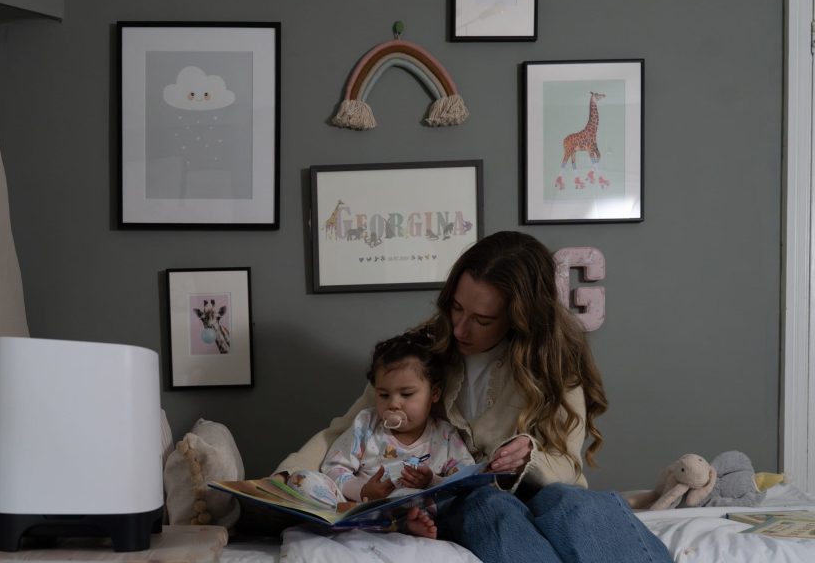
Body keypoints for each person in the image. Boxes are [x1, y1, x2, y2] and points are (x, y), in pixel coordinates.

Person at [275, 231, 673, 563]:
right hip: (467, 502)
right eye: (456, 308)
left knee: (579, 505)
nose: (461, 328)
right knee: (491, 508)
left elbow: (567, 465)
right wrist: (282, 482)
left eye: (482, 320)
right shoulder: (423, 353)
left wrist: (527, 456)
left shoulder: (555, 363)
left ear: (521, 318)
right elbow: (349, 427)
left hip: (546, 492)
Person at [285, 331, 475, 538]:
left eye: (406, 394)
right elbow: (334, 467)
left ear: (434, 394)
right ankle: (349, 520)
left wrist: (431, 481)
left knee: (409, 498)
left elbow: (466, 476)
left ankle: (400, 523)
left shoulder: (444, 435)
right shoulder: (367, 424)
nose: (393, 404)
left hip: (403, 504)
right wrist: (363, 491)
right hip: (353, 503)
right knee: (301, 479)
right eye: (384, 395)